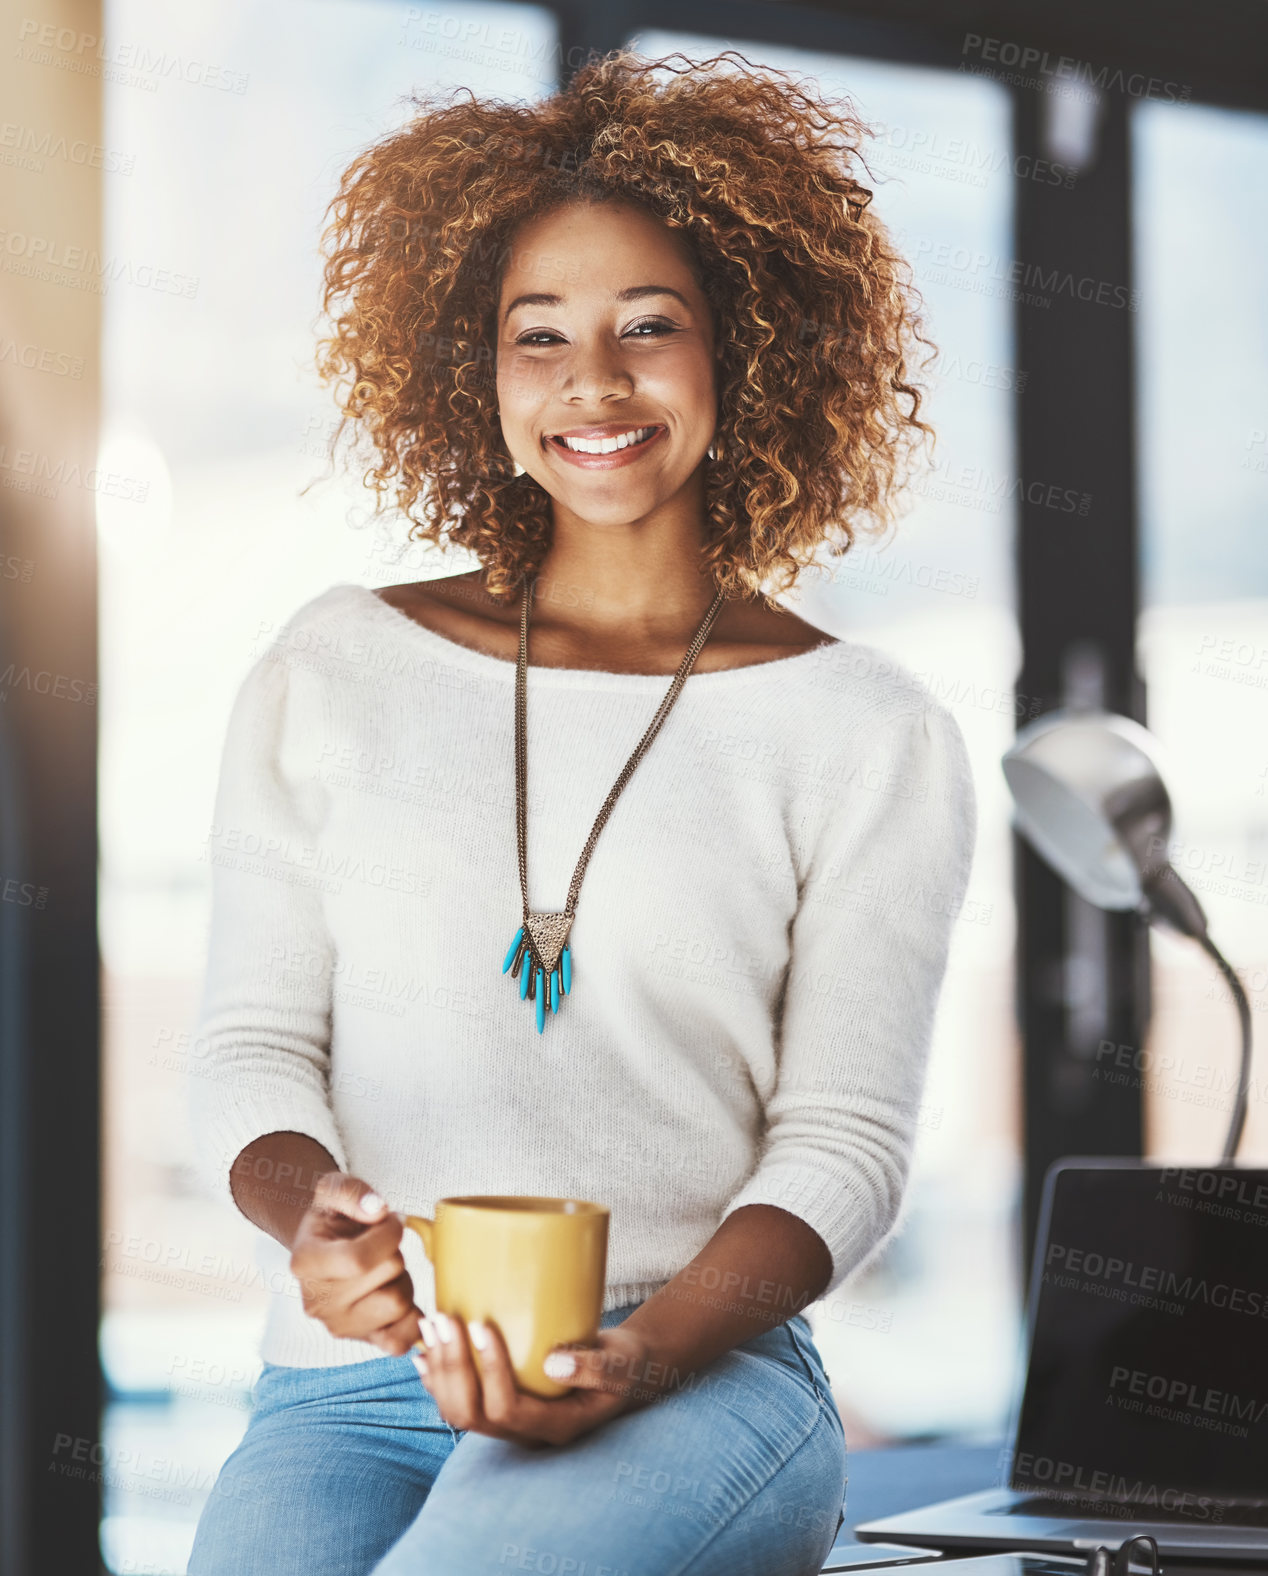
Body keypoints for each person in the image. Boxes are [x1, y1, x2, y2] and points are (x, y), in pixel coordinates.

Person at [186, 46, 977, 1576]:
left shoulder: (868, 732)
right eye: (535, 336)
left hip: (698, 1380)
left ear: (746, 352)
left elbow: (842, 1149)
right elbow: (250, 1053)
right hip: (349, 1386)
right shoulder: (334, 666)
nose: (591, 385)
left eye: (648, 329)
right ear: (472, 371)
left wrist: (642, 1358)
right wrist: (315, 1229)